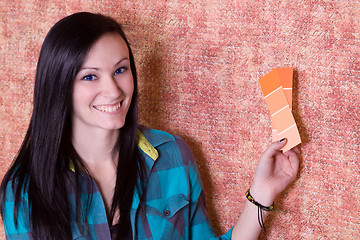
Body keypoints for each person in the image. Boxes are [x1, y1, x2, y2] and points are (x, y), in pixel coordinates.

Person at [0, 12, 300, 240]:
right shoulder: (25, 190)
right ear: (59, 86)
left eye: (120, 70)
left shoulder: (172, 156)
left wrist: (262, 193)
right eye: (90, 76)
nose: (114, 90)